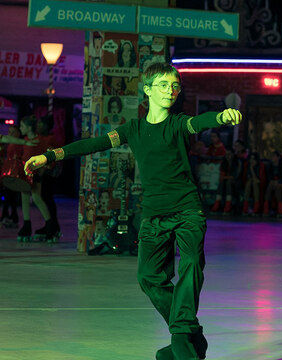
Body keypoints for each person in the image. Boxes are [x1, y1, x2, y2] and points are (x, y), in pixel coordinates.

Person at [25, 62, 242, 360]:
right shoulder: (133, 129)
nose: (171, 90)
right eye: (164, 85)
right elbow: (94, 143)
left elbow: (199, 122)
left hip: (187, 211)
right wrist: (50, 155)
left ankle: (181, 339)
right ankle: (191, 333)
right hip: (153, 215)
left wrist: (220, 116)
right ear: (148, 89)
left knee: (192, 264)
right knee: (148, 278)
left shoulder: (178, 123)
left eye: (175, 85)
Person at [18, 115, 57, 242]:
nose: (20, 128)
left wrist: (43, 168)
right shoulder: (25, 140)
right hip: (25, 175)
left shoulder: (40, 140)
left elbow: (49, 155)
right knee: (24, 199)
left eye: (22, 126)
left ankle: (50, 226)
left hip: (35, 175)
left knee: (36, 198)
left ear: (29, 127)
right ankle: (26, 225)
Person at [0, 126, 38, 227]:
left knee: (11, 194)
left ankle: (11, 216)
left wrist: (25, 143)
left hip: (12, 171)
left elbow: (6, 138)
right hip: (9, 170)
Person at [34, 115, 62, 237]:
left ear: (46, 126)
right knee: (45, 199)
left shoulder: (50, 139)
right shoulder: (41, 137)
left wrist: (44, 169)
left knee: (48, 199)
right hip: (42, 172)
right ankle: (50, 225)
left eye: (41, 124)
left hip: (48, 173)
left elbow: (52, 158)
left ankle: (53, 226)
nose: (38, 126)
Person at [210, 148, 242, 214]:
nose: (227, 156)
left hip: (236, 182)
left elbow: (234, 176)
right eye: (226, 154)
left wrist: (225, 177)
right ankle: (217, 204)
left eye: (229, 154)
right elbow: (221, 177)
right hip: (226, 181)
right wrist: (225, 177)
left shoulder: (237, 163)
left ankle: (228, 206)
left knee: (228, 183)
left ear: (233, 155)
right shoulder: (224, 162)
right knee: (222, 183)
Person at [263, 151, 282, 217]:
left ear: (278, 157)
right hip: (272, 183)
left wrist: (278, 182)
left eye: (274, 156)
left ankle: (268, 210)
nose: (272, 158)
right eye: (272, 156)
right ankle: (279, 211)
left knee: (277, 187)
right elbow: (269, 178)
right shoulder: (269, 166)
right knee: (271, 185)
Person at [241, 152, 266, 216]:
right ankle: (245, 208)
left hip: (260, 185)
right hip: (248, 185)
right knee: (249, 182)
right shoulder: (247, 166)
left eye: (253, 159)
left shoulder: (260, 166)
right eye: (250, 159)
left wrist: (252, 169)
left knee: (254, 183)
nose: (251, 161)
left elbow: (259, 180)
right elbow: (246, 178)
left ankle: (255, 209)